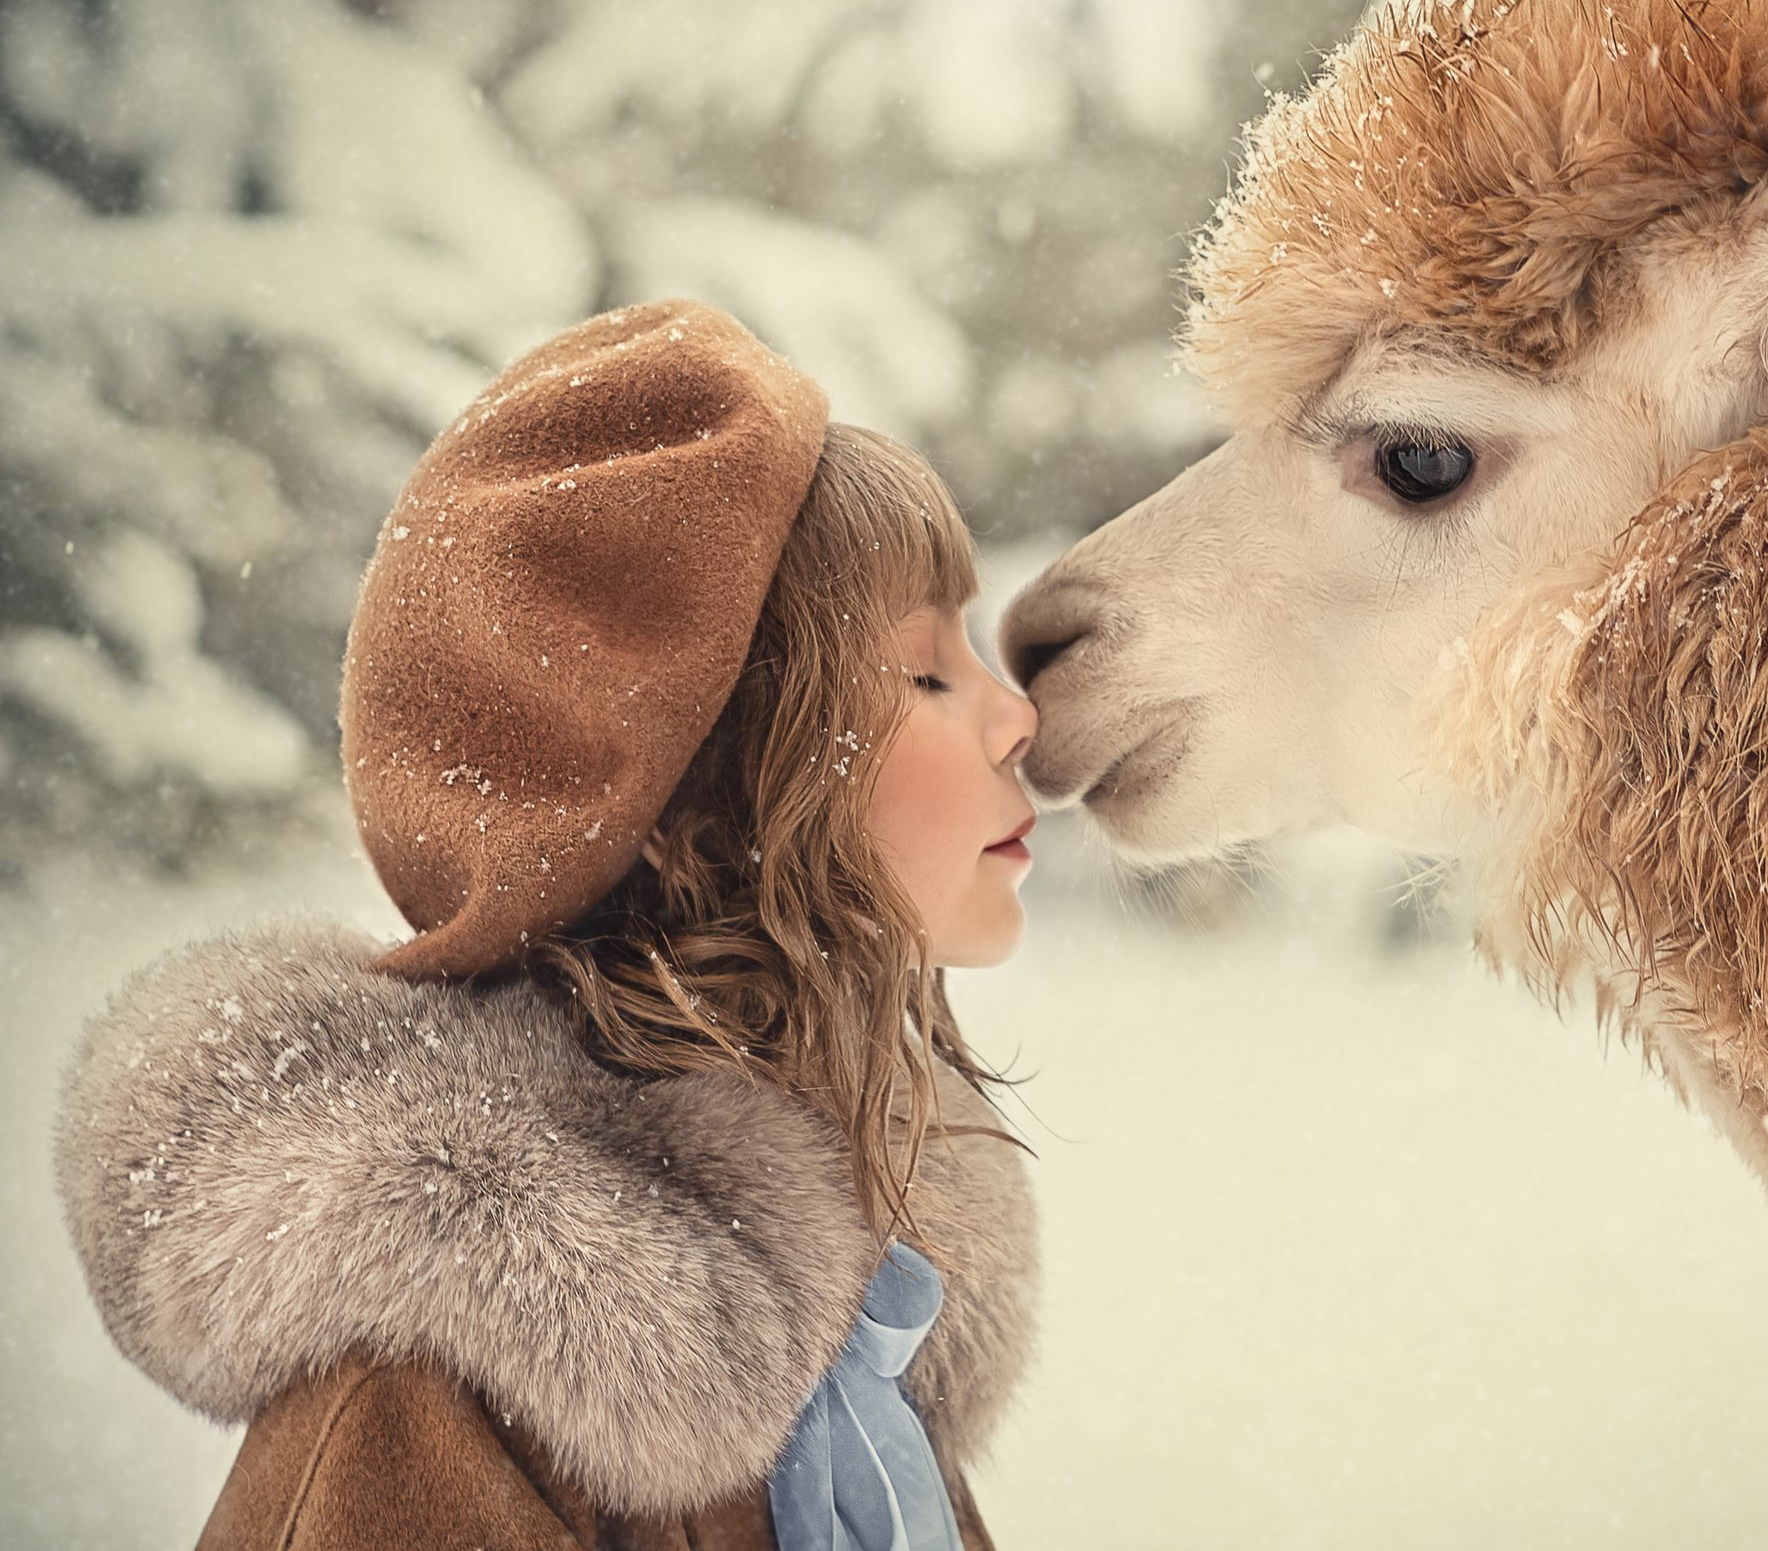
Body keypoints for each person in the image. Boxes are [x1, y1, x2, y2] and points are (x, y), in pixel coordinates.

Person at [54, 301, 1041, 1551]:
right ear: (697, 804)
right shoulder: (432, 1394)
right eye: (927, 673)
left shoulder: (859, 1315)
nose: (1017, 715)